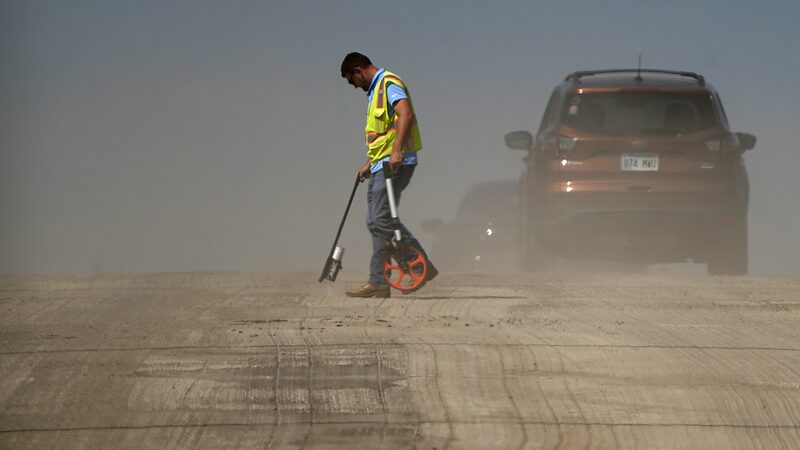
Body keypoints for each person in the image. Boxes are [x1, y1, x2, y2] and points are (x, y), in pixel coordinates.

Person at [340, 52, 437, 298]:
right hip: (380, 164)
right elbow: (384, 134)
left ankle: (419, 266)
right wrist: (369, 162)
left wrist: (395, 153)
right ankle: (380, 281)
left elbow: (405, 114)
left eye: (352, 80)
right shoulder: (375, 91)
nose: (354, 86)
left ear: (358, 70)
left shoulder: (388, 83)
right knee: (375, 221)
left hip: (395, 163)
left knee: (381, 218)